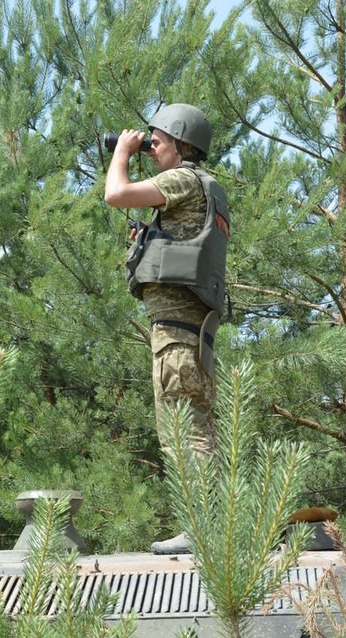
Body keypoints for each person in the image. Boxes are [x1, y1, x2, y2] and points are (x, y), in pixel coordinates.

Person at [104, 103, 231, 555]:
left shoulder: (184, 180)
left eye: (157, 142)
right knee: (191, 425)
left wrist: (121, 152)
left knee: (185, 428)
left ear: (181, 144)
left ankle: (203, 531)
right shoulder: (204, 188)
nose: (150, 148)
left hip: (178, 333)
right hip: (184, 328)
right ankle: (208, 527)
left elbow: (115, 195)